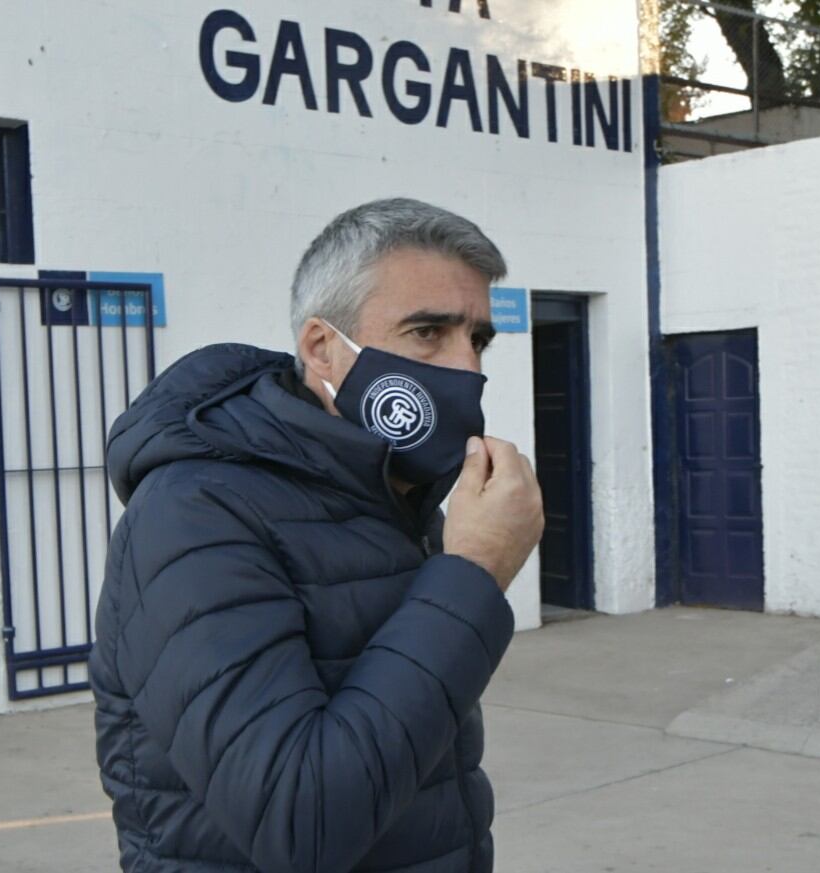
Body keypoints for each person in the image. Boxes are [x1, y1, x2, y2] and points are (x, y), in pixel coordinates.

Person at [91, 198, 545, 873]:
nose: (464, 366)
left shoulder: (390, 498)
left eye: (477, 338)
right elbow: (299, 820)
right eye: (427, 331)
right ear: (321, 347)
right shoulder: (196, 513)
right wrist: (473, 570)